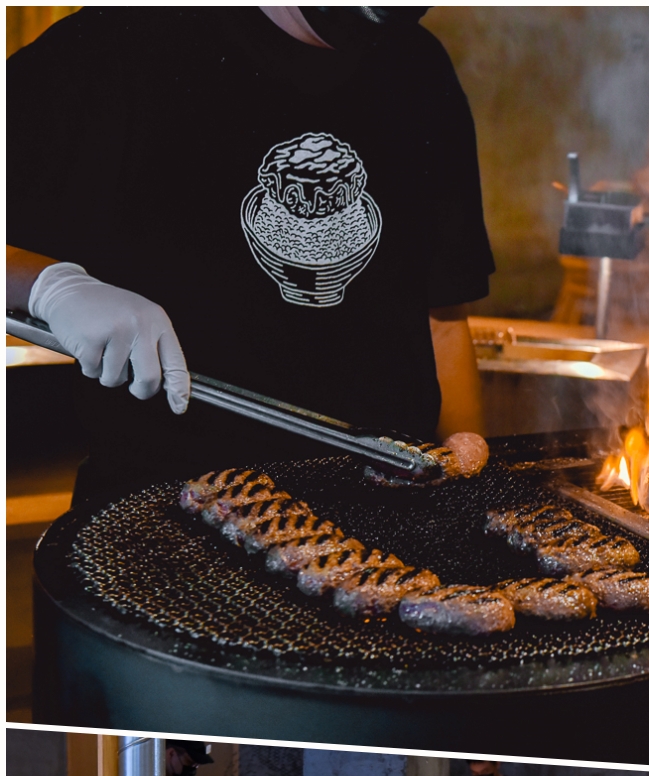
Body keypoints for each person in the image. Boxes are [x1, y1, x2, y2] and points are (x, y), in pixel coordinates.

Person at [6, 6, 493, 507]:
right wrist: (48, 286)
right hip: (171, 516)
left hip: (385, 516)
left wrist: (469, 493)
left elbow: (443, 319)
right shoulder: (118, 44)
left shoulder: (419, 66)